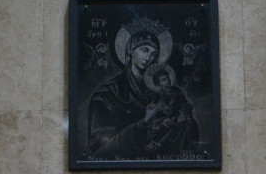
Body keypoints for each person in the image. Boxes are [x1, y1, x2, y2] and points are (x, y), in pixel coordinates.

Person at [84, 20, 199, 160]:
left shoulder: (169, 91)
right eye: (144, 50)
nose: (148, 57)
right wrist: (144, 122)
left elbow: (192, 136)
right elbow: (100, 146)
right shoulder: (108, 93)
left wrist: (183, 120)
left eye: (154, 53)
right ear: (130, 51)